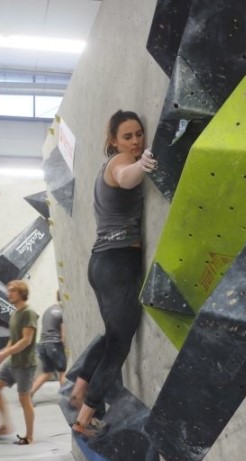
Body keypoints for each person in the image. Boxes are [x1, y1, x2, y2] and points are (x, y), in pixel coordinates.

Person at [70, 110, 157, 438]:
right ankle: (85, 417)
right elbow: (126, 176)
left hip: (103, 263)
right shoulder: (118, 162)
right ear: (113, 141)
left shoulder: (102, 168)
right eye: (127, 136)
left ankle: (80, 389)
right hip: (118, 263)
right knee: (119, 344)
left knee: (111, 336)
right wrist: (142, 165)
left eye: (139, 135)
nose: (135, 141)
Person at [0, 279, 39, 445]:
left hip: (25, 364)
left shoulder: (28, 313)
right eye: (8, 290)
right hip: (13, 361)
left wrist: (6, 354)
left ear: (21, 293)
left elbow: (26, 340)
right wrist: (1, 354)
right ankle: (5, 425)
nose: (8, 293)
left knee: (24, 399)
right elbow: (13, 338)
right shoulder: (15, 313)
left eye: (12, 291)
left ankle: (29, 437)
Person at [31, 290, 67, 397]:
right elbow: (63, 334)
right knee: (62, 371)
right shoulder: (61, 312)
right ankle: (65, 399)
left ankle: (30, 393)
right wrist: (63, 347)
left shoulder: (48, 310)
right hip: (54, 344)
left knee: (47, 372)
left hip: (42, 345)